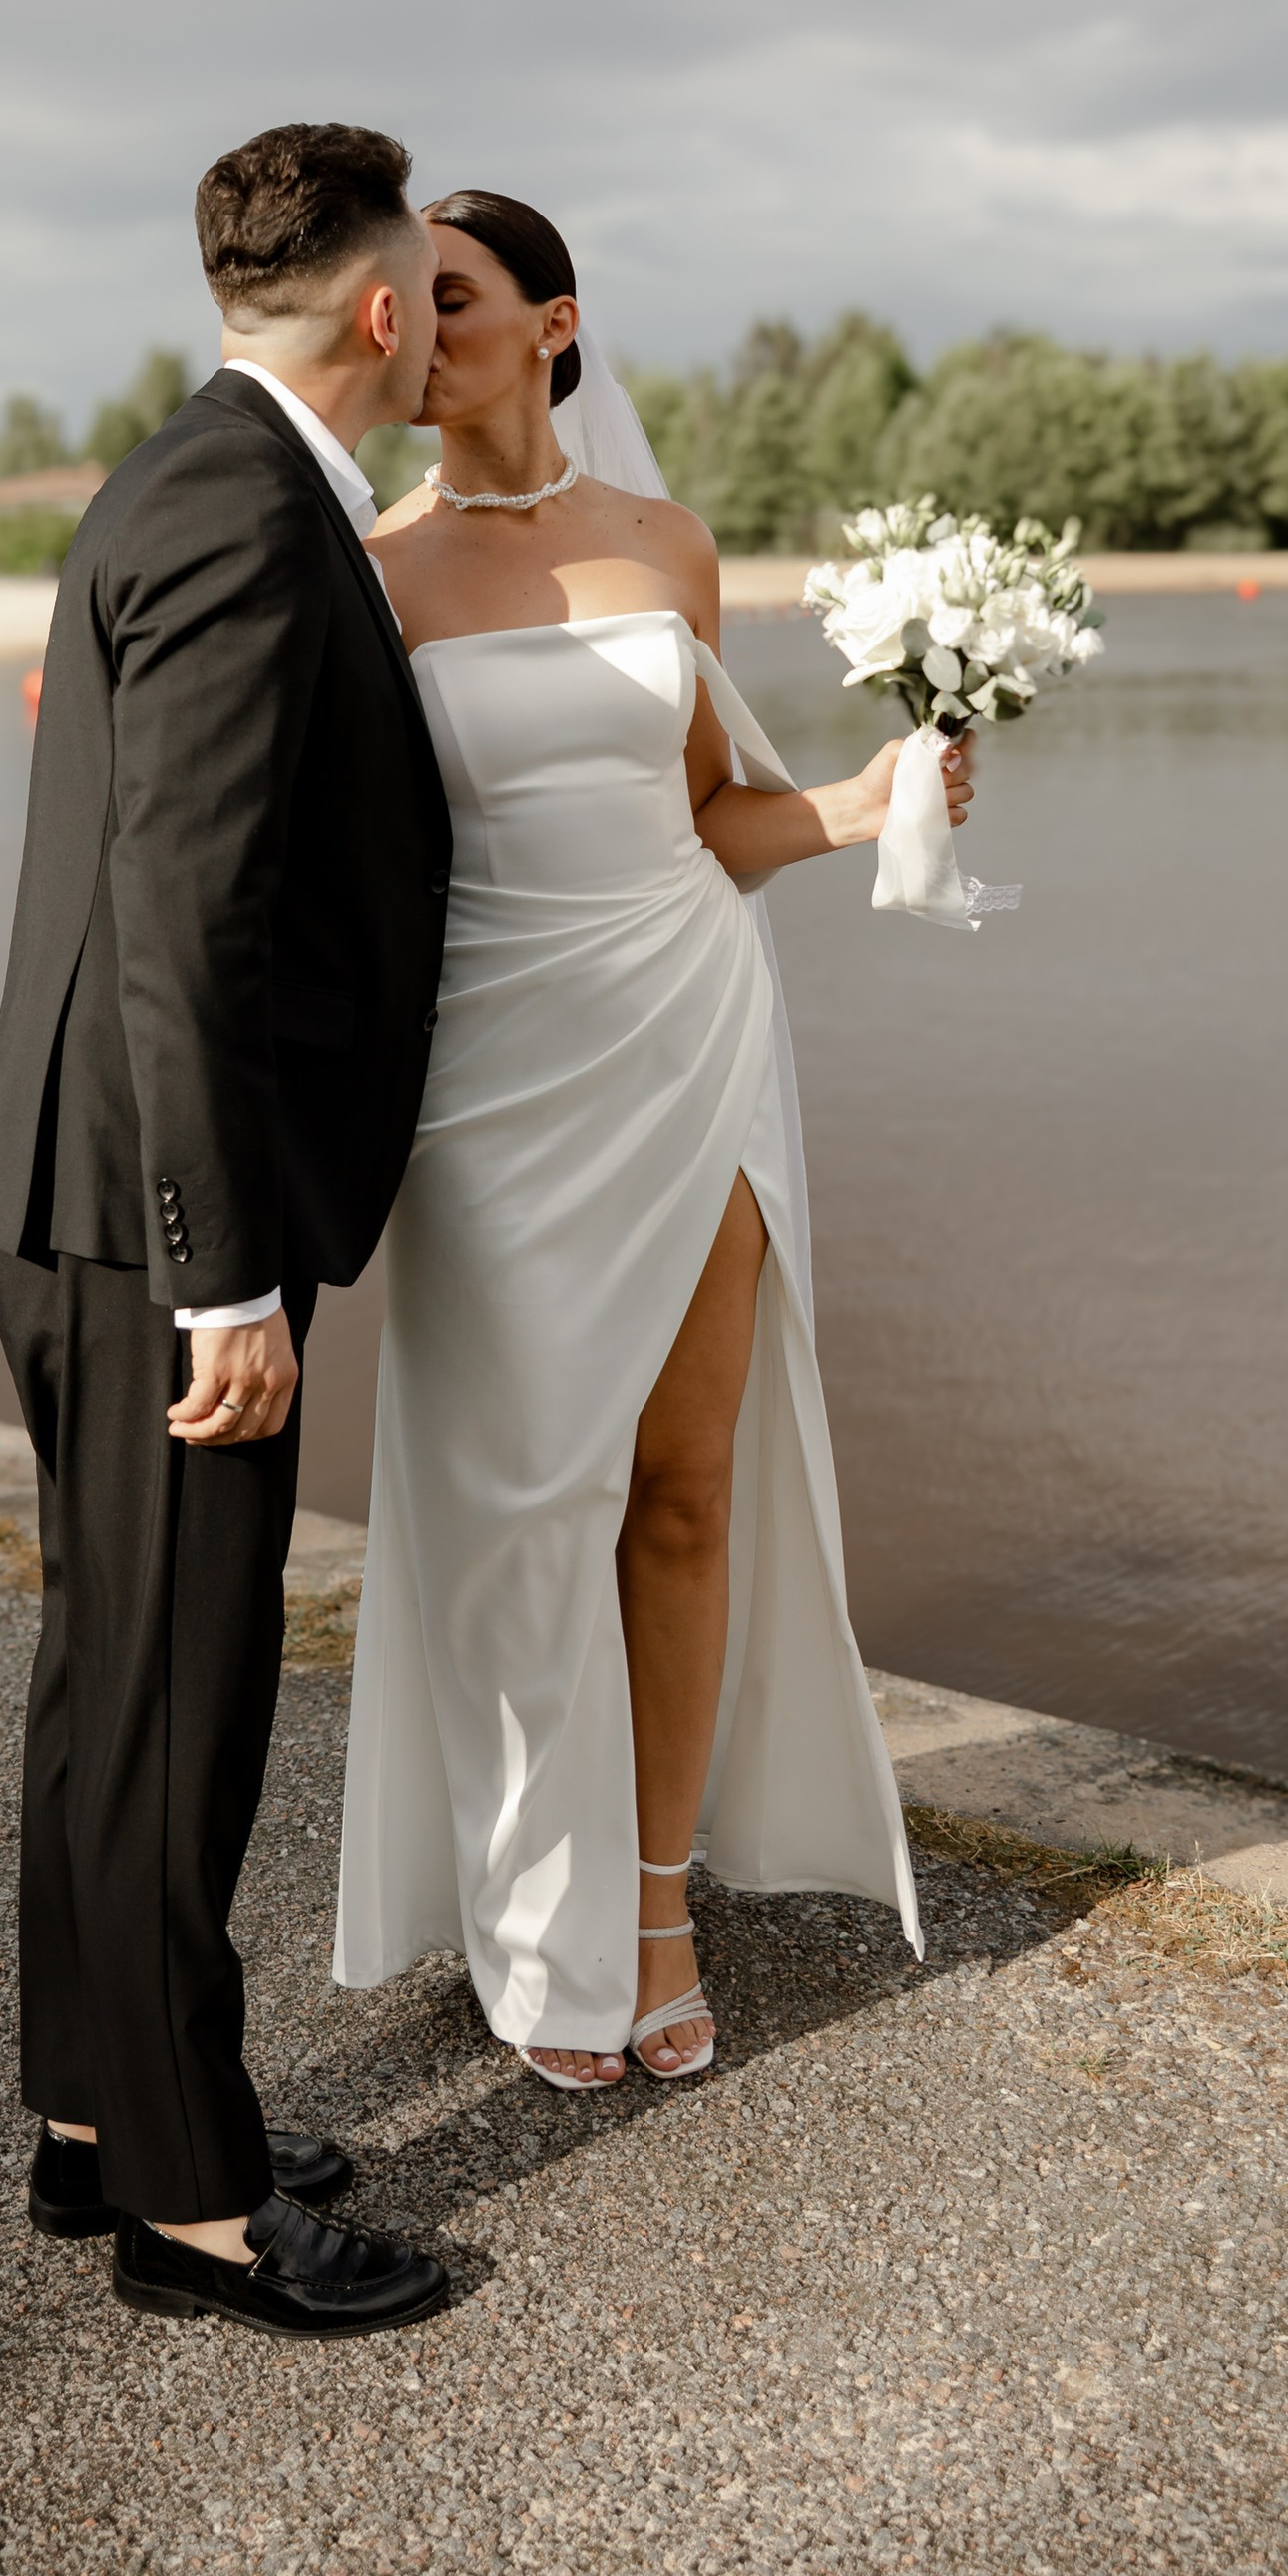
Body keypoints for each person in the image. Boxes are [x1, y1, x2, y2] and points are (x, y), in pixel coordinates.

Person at [334, 191, 967, 2087]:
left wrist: (863, 803)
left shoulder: (668, 547)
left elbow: (714, 815)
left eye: (449, 296)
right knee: (526, 1508)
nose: (412, 329)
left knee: (685, 1491)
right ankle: (534, 1920)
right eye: (397, 303)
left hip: (693, 1034)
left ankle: (659, 1904)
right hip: (490, 1081)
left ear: (551, 322)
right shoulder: (370, 572)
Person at [0, 122, 457, 2337]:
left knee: (108, 1678)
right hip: (149, 1217)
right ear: (374, 309)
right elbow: (179, 917)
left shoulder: (192, 467)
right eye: (435, 283)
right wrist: (222, 1269)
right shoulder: (251, 510)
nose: (448, 316)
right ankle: (193, 2205)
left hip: (66, 1191)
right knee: (178, 1698)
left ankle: (98, 2112)